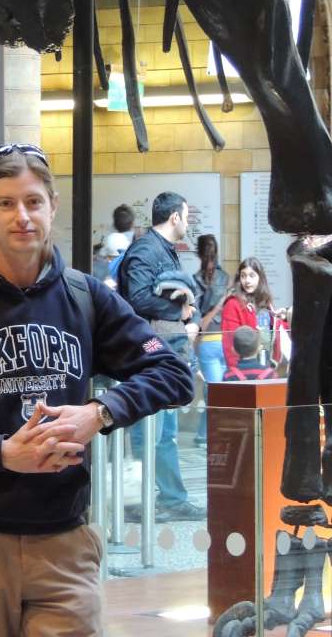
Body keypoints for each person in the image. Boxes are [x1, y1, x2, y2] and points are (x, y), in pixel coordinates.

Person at [0, 143, 192, 636]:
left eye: (33, 202)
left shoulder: (86, 297)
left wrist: (100, 411)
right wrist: (1, 453)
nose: (21, 217)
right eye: (5, 203)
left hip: (63, 540)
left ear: (52, 204)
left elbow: (172, 373)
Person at [117, 191, 206, 521]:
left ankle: (170, 498)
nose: (187, 222)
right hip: (149, 353)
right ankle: (146, 501)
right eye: (186, 215)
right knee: (149, 432)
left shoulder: (163, 250)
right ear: (174, 218)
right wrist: (180, 310)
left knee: (164, 431)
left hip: (165, 351)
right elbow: (138, 299)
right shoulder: (145, 250)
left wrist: (190, 318)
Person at [220, 257, 288, 372]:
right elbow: (229, 343)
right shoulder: (233, 304)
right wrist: (236, 372)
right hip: (244, 369)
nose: (247, 280)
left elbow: (276, 333)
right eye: (243, 276)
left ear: (260, 278)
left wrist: (285, 317)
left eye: (252, 275)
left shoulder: (267, 303)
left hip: (268, 367)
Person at [193, 234, 229, 446]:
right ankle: (206, 434)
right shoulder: (224, 278)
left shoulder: (196, 279)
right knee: (217, 391)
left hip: (209, 340)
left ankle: (206, 434)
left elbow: (196, 315)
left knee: (214, 391)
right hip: (221, 338)